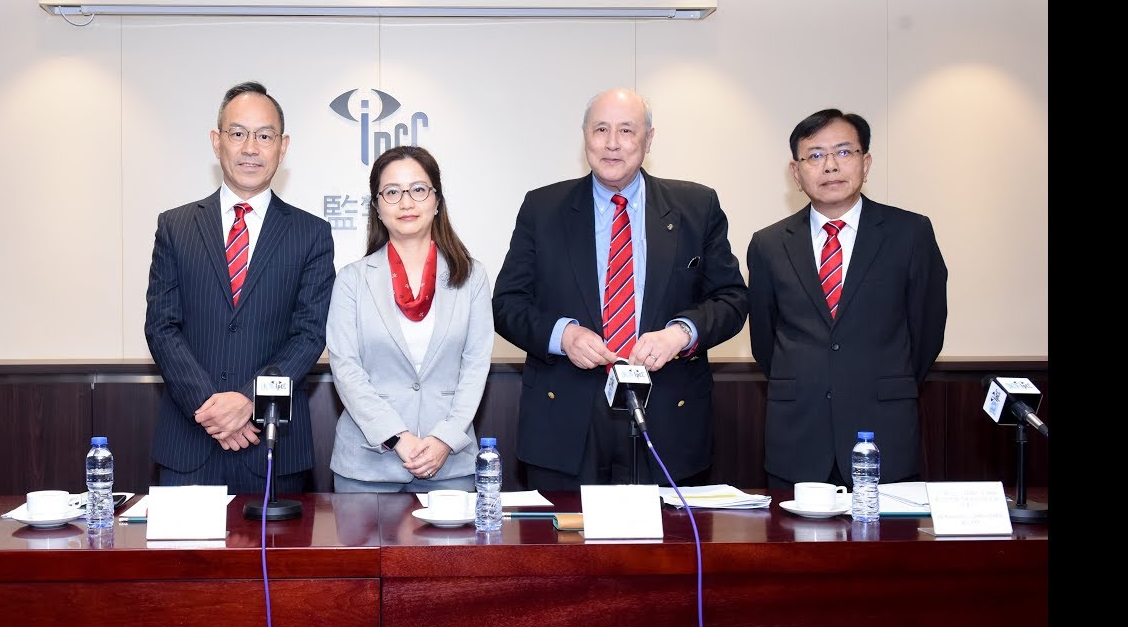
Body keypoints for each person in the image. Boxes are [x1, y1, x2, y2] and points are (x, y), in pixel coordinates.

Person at [492, 87, 749, 490]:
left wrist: (680, 334)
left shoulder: (697, 207)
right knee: (568, 534)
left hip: (667, 417)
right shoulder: (543, 208)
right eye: (601, 129)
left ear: (649, 139)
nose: (612, 143)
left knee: (664, 534)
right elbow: (508, 304)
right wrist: (564, 336)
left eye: (627, 130)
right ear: (585, 136)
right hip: (565, 421)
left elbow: (732, 299)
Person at [144, 81, 335, 494]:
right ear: (217, 141)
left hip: (272, 444)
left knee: (277, 542)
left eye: (264, 136)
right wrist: (212, 410)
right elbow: (161, 326)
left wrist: (250, 400)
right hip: (190, 441)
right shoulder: (175, 227)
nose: (251, 148)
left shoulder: (311, 234)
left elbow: (309, 334)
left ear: (282, 147)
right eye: (238, 134)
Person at [747, 108, 948, 490]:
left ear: (865, 163)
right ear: (796, 172)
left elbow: (926, 332)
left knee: (886, 533)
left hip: (884, 433)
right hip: (797, 437)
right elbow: (765, 341)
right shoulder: (768, 244)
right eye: (815, 155)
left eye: (843, 152)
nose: (830, 166)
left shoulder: (910, 234)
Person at [326, 145, 493, 493]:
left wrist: (445, 438)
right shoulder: (352, 279)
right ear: (376, 207)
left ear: (437, 200)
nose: (406, 203)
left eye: (418, 189)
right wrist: (396, 436)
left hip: (449, 465)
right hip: (367, 468)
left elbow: (475, 365)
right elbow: (346, 368)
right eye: (392, 192)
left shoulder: (472, 276)